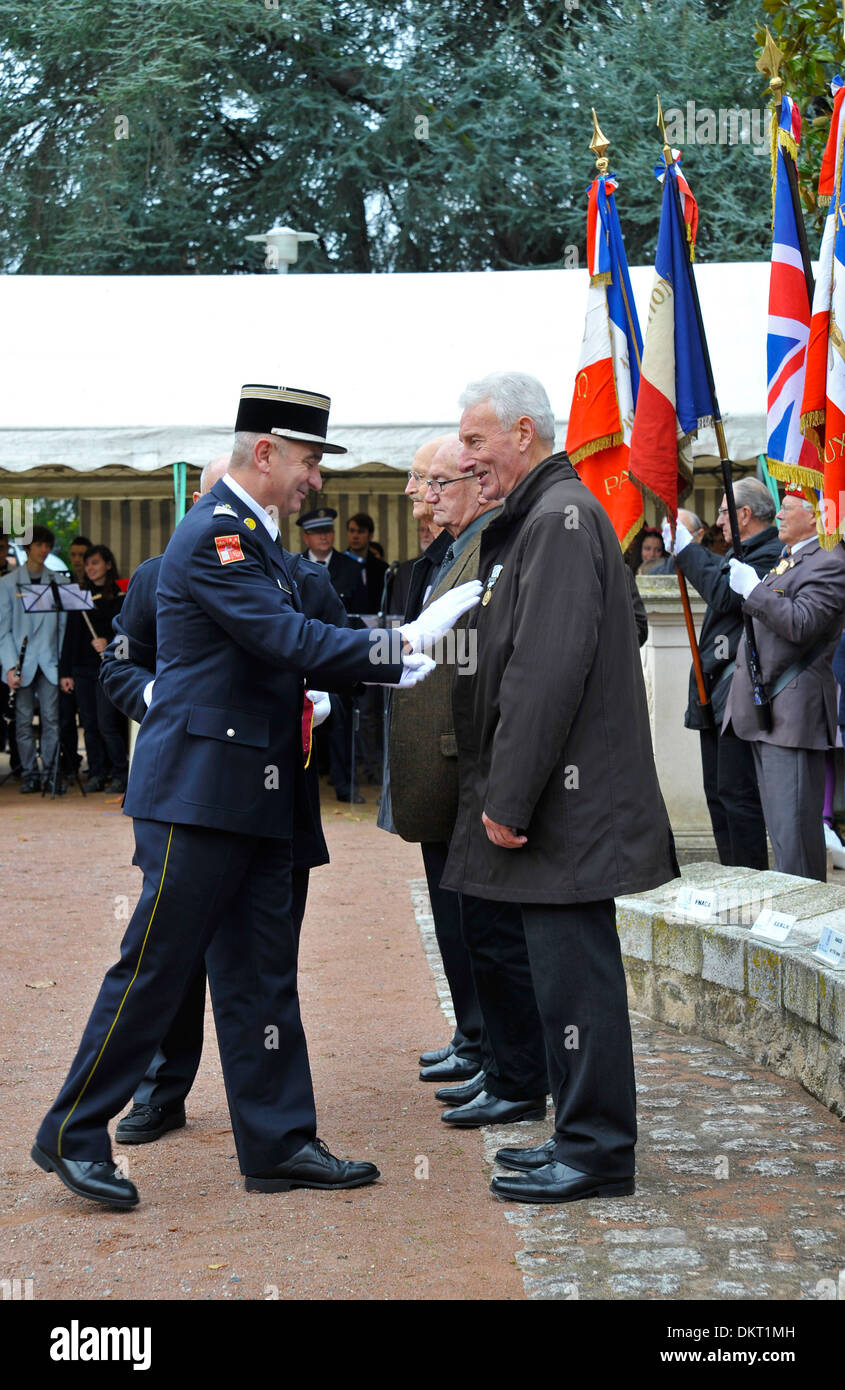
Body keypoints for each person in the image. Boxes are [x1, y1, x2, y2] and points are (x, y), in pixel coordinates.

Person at [32, 382, 478, 1209]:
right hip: (201, 795)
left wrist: (383, 652)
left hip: (256, 795)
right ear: (265, 453)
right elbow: (282, 637)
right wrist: (402, 642)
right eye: (308, 461)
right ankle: (72, 1132)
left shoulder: (259, 540)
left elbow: (289, 647)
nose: (315, 479)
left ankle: (277, 1143)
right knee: (157, 967)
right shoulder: (216, 536)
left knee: (261, 976)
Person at [442, 371, 678, 1205]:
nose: (465, 459)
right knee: (561, 977)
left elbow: (542, 674)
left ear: (521, 433)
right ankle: (579, 1136)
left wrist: (507, 799)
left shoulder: (558, 517)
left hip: (565, 806)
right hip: (563, 802)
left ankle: (597, 1151)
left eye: (473, 442)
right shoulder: (546, 515)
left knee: (577, 979)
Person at [99, 454, 342, 1144]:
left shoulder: (299, 577)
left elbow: (334, 651)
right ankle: (160, 1089)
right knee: (169, 956)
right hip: (194, 786)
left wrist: (321, 702)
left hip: (276, 795)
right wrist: (158, 699)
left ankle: (271, 1126)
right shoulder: (163, 570)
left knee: (265, 961)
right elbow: (122, 662)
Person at [388, 436, 550, 1120]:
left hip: (463, 756)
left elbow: (488, 652)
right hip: (439, 757)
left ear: (471, 484)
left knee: (481, 922)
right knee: (458, 918)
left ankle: (495, 1051)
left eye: (430, 481)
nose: (415, 494)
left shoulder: (491, 544)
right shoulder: (452, 549)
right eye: (416, 480)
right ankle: (477, 1039)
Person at [660, 479, 782, 869]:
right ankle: (731, 879)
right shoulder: (742, 553)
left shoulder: (769, 555)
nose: (719, 521)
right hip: (715, 691)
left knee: (737, 795)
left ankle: (748, 885)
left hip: (740, 693)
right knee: (717, 794)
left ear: (745, 514)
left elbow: (725, 593)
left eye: (725, 512)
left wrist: (686, 551)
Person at [725, 485, 845, 881]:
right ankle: (791, 917)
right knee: (781, 830)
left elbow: (801, 623)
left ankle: (801, 924)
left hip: (793, 714)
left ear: (815, 515)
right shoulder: (792, 558)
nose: (779, 515)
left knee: (794, 835)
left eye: (789, 508)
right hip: (771, 711)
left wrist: (753, 590)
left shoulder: (830, 559)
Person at [0, 524, 69, 793]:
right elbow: (3, 629)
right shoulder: (7, 583)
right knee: (23, 720)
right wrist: (8, 667)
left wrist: (63, 666)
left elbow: (63, 628)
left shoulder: (60, 582)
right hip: (21, 661)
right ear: (28, 547)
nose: (44, 550)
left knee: (52, 719)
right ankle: (29, 773)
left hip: (50, 661)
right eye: (39, 545)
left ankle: (51, 772)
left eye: (47, 545)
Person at [60, 544, 128, 792]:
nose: (90, 568)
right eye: (88, 564)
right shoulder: (80, 597)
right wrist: (65, 673)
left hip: (108, 668)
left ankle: (121, 772)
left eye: (95, 562)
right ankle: (96, 774)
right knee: (88, 724)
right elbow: (70, 636)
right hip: (82, 668)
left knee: (107, 723)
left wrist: (108, 643)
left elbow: (128, 636)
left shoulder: (121, 596)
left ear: (108, 565)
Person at [345, 512, 388, 615]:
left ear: (371, 536)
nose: (355, 536)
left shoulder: (382, 569)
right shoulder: (337, 564)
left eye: (361, 531)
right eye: (352, 531)